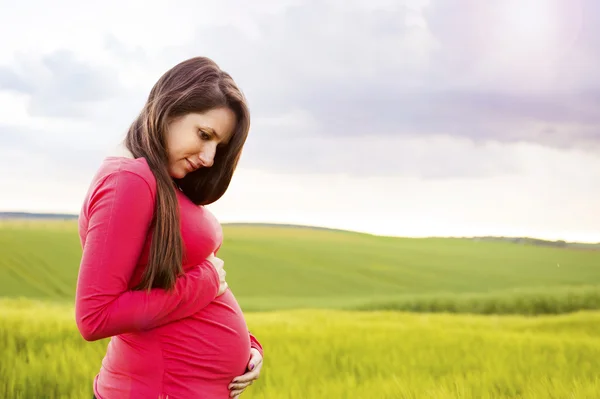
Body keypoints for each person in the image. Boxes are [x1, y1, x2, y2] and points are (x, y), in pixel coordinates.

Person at [74, 56, 263, 399]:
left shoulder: (159, 180)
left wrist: (247, 347)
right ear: (169, 108)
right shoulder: (129, 180)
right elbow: (95, 317)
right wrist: (204, 281)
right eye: (204, 135)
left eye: (217, 147)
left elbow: (171, 283)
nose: (208, 157)